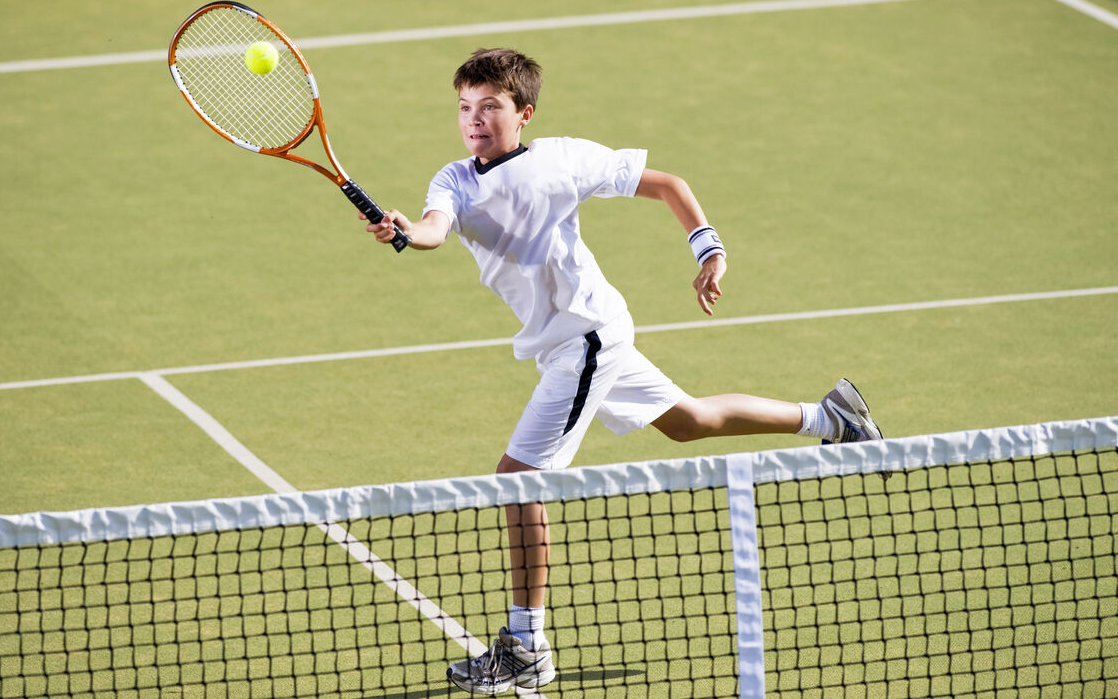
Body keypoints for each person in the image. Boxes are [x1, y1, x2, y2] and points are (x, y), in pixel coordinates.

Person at [362, 48, 886, 695]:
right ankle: (832, 418)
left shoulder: (564, 159)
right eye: (465, 108)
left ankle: (526, 644)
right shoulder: (454, 180)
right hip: (567, 346)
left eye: (490, 107)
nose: (474, 119)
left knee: (517, 479)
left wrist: (709, 249)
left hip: (589, 340)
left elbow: (668, 184)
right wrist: (407, 232)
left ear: (523, 114)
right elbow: (435, 229)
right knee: (690, 423)